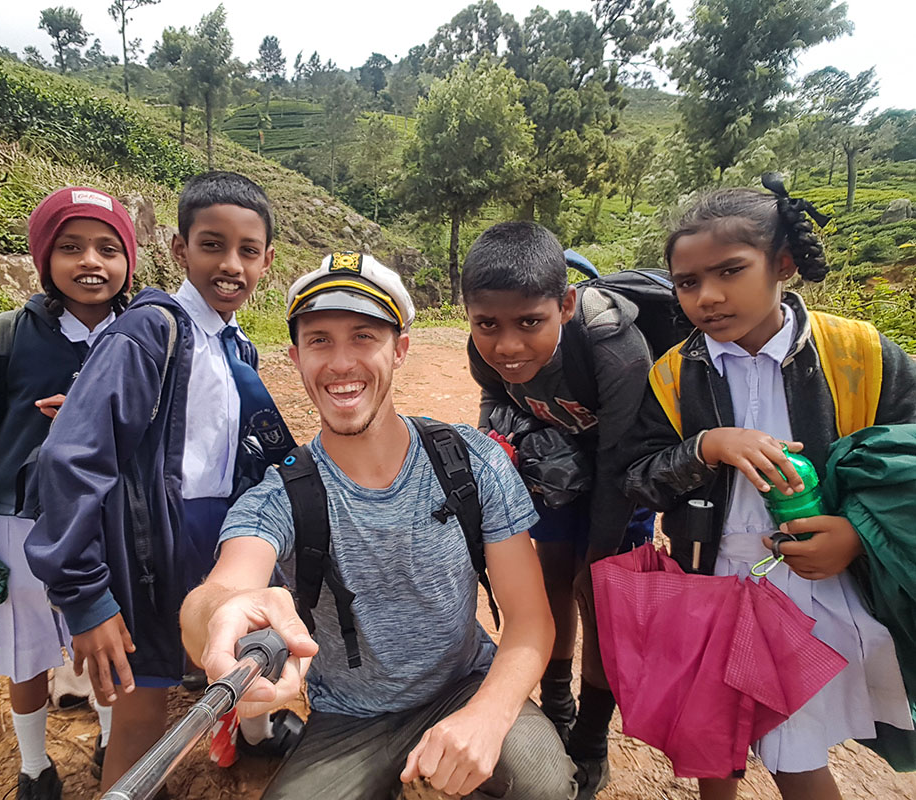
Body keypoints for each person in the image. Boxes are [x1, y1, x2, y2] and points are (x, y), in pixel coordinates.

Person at [180, 252, 577, 800]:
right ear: (295, 357)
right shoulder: (281, 495)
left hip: (463, 684)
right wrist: (219, 616)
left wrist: (487, 716)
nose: (341, 362)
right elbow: (223, 588)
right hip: (349, 717)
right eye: (319, 340)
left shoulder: (472, 464)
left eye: (364, 336)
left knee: (544, 782)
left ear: (401, 349)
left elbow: (532, 621)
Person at [622, 176, 916, 800]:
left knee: (792, 748)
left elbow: (906, 467)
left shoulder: (860, 355)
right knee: (712, 738)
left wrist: (856, 533)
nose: (708, 297)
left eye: (730, 271)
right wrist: (706, 447)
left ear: (782, 264)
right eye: (688, 282)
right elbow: (640, 476)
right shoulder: (674, 376)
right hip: (715, 580)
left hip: (816, 582)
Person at [24, 171, 294, 792]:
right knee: (142, 712)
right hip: (149, 553)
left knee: (223, 663)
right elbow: (69, 461)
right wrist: (88, 598)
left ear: (267, 260)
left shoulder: (236, 345)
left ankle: (237, 742)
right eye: (212, 244)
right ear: (178, 249)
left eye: (247, 251)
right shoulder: (150, 332)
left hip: (215, 541)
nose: (231, 264)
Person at [0, 186, 136, 799]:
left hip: (109, 516)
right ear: (44, 257)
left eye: (107, 247)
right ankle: (33, 765)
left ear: (129, 259)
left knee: (101, 636)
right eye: (70, 247)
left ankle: (107, 741)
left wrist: (91, 416)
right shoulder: (8, 336)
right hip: (20, 520)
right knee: (27, 648)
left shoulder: (145, 336)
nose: (91, 262)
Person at [461, 221, 654, 799]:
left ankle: (592, 739)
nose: (508, 346)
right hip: (562, 470)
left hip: (624, 474)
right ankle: (557, 705)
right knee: (547, 586)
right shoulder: (482, 351)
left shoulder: (615, 352)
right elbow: (495, 398)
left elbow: (622, 467)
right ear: (468, 314)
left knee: (600, 603)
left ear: (565, 305)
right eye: (487, 324)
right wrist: (506, 444)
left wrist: (596, 561)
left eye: (530, 322)